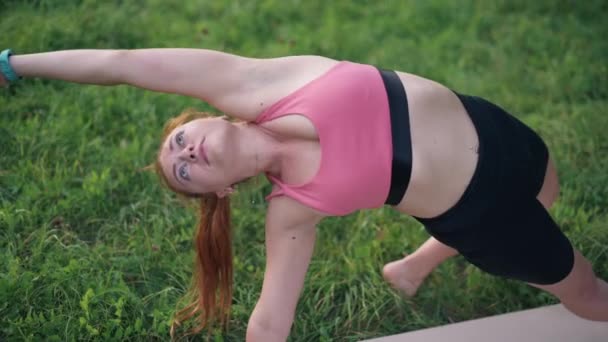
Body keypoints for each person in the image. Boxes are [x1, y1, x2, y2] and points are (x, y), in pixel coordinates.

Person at [1, 48, 606, 341]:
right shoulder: (293, 208)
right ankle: (424, 257)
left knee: (548, 191)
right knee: (586, 293)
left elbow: (124, 63)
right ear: (225, 189)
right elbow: (269, 322)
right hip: (482, 217)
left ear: (209, 117)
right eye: (184, 172)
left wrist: (14, 64)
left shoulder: (261, 82)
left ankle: (413, 265)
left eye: (180, 141)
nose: (185, 154)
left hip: (494, 129)